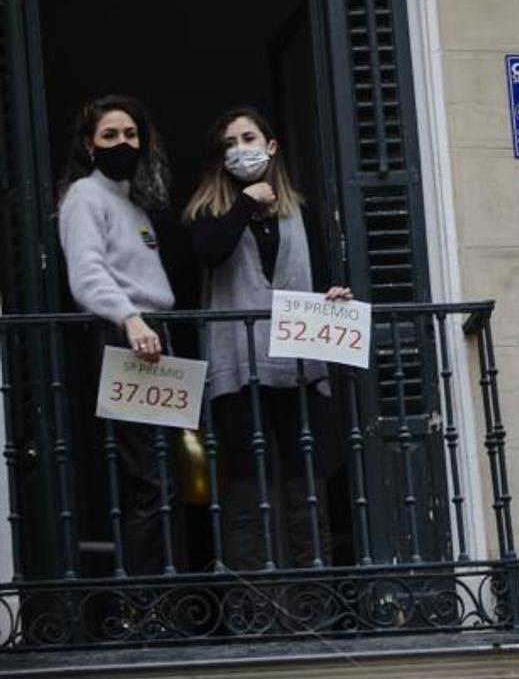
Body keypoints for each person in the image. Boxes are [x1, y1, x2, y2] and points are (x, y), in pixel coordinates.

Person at [184, 107, 349, 571]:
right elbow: (210, 254)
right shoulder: (207, 213)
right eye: (230, 144)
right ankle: (257, 607)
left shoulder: (302, 213)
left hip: (297, 361)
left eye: (248, 138)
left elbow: (314, 275)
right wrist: (244, 204)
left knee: (304, 483)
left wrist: (330, 296)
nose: (240, 149)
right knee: (247, 485)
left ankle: (311, 601)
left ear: (271, 145)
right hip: (238, 364)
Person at [57, 94, 176, 577]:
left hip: (153, 338)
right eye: (110, 135)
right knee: (149, 476)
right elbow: (87, 273)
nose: (122, 143)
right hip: (125, 338)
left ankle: (160, 596)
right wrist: (129, 319)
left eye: (130, 134)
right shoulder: (85, 196)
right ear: (90, 144)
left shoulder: (135, 203)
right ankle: (140, 607)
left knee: (167, 473)